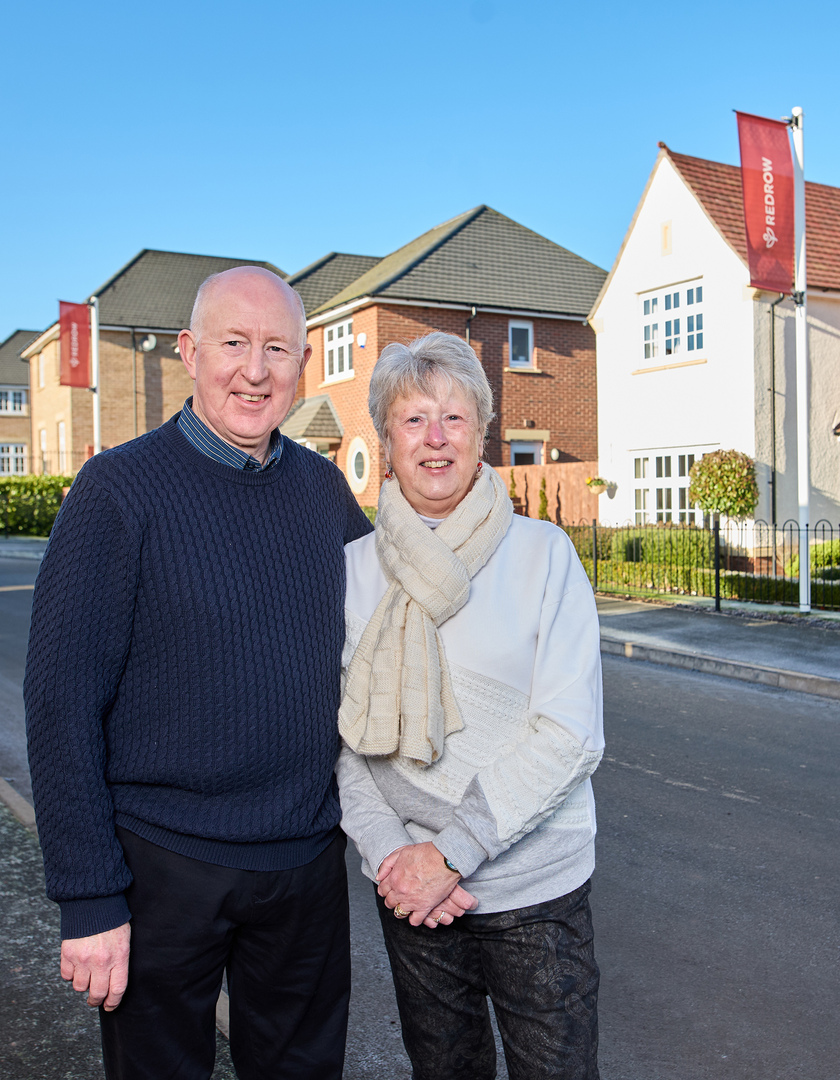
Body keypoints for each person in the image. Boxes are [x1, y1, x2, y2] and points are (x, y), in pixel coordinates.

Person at [24, 266, 370, 1080]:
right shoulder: (117, 492)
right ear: (188, 351)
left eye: (277, 348)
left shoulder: (323, 491)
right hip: (163, 871)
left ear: (304, 361)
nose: (255, 370)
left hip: (305, 867)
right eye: (234, 344)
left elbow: (395, 634)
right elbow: (60, 703)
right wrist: (89, 899)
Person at [336, 331, 604, 1080]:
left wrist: (450, 853)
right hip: (416, 899)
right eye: (413, 419)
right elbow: (344, 744)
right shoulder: (353, 571)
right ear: (385, 438)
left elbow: (572, 735)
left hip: (534, 893)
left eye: (454, 418)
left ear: (481, 432)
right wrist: (394, 856)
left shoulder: (544, 556)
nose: (434, 439)